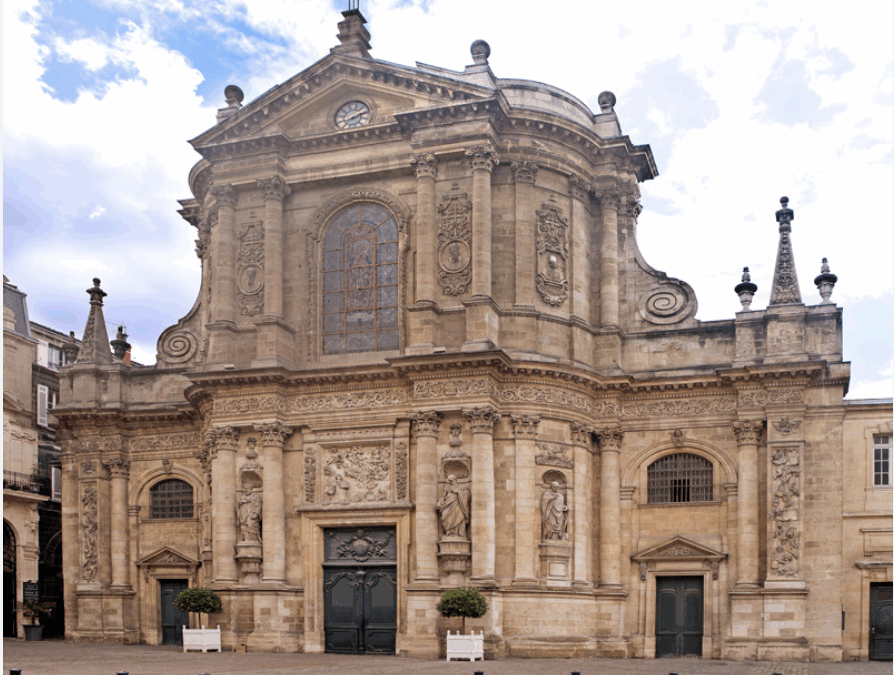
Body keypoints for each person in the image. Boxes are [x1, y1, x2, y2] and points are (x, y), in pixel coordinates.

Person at [437, 474, 470, 538]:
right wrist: (440, 502)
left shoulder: (460, 487)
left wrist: (458, 492)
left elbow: (466, 495)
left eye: (451, 480)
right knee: (445, 515)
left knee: (459, 517)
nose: (450, 482)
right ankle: (449, 532)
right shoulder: (447, 487)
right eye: (449, 480)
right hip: (447, 504)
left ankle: (456, 533)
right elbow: (443, 496)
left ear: (455, 480)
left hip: (457, 505)